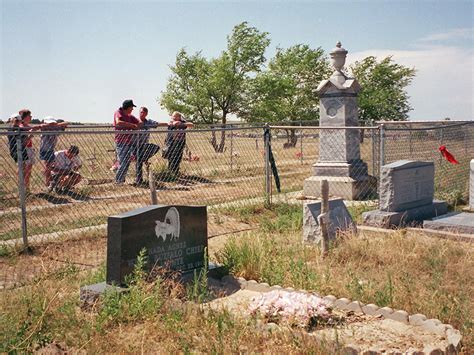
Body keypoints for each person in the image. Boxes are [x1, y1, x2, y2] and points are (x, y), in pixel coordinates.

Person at [134, 107, 167, 185]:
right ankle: (139, 180)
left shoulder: (148, 122)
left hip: (144, 144)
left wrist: (168, 123)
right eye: (141, 112)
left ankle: (143, 159)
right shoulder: (135, 120)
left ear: (146, 114)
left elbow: (157, 124)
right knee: (138, 162)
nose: (142, 114)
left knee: (156, 147)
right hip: (135, 145)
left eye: (144, 113)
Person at [113, 99, 141, 184]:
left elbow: (139, 122)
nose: (132, 109)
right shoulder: (119, 112)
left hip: (128, 141)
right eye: (132, 107)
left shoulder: (129, 115)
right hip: (121, 141)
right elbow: (118, 122)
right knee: (123, 161)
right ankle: (118, 181)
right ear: (127, 107)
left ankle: (121, 180)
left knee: (127, 161)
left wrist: (137, 125)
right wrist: (132, 125)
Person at [39, 116, 68, 188]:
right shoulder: (45, 128)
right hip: (45, 150)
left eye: (52, 123)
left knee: (48, 167)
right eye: (50, 123)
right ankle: (48, 183)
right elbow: (42, 126)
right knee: (48, 168)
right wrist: (53, 126)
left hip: (50, 150)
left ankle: (49, 183)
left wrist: (56, 125)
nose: (51, 125)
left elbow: (66, 123)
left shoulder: (54, 128)